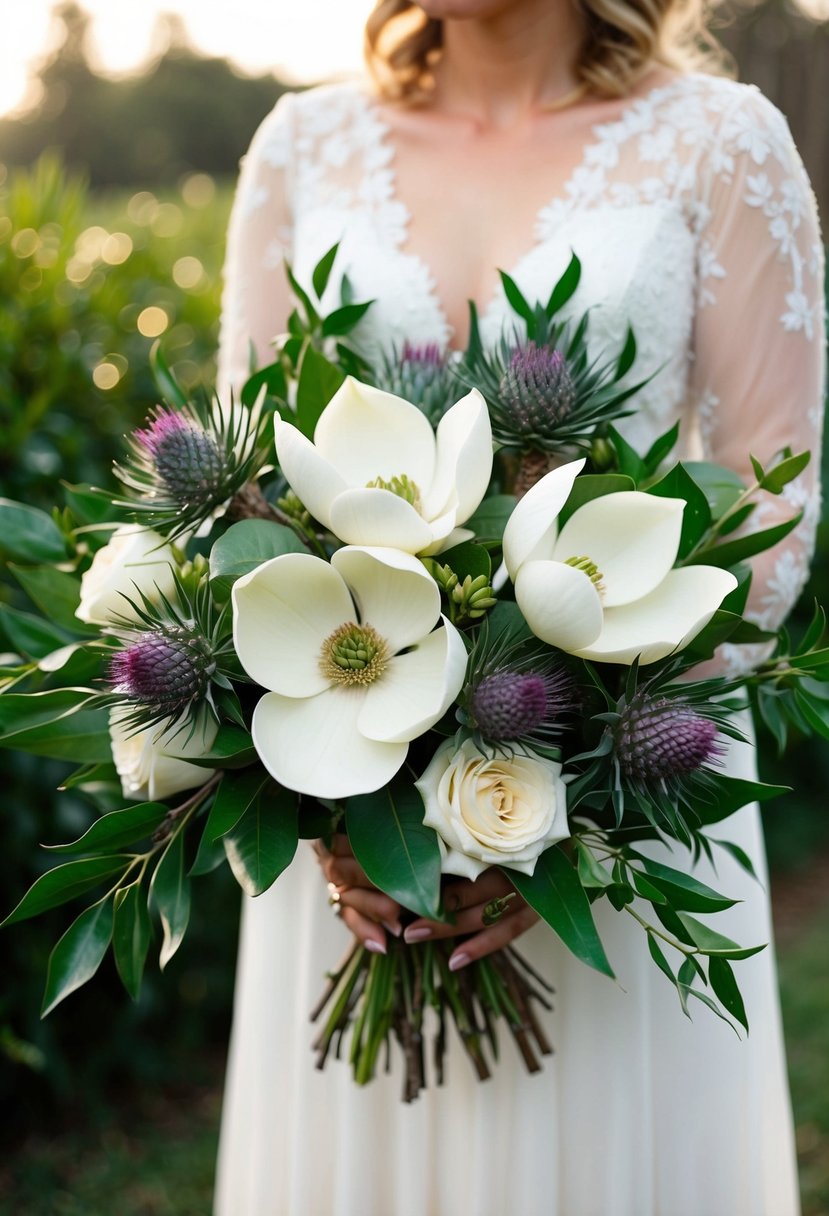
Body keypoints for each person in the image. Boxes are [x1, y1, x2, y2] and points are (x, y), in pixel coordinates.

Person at [214, 1, 825, 1212]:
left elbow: (771, 502)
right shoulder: (301, 145)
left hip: (627, 811)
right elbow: (252, 493)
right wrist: (338, 814)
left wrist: (568, 809)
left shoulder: (722, 139)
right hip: (347, 826)